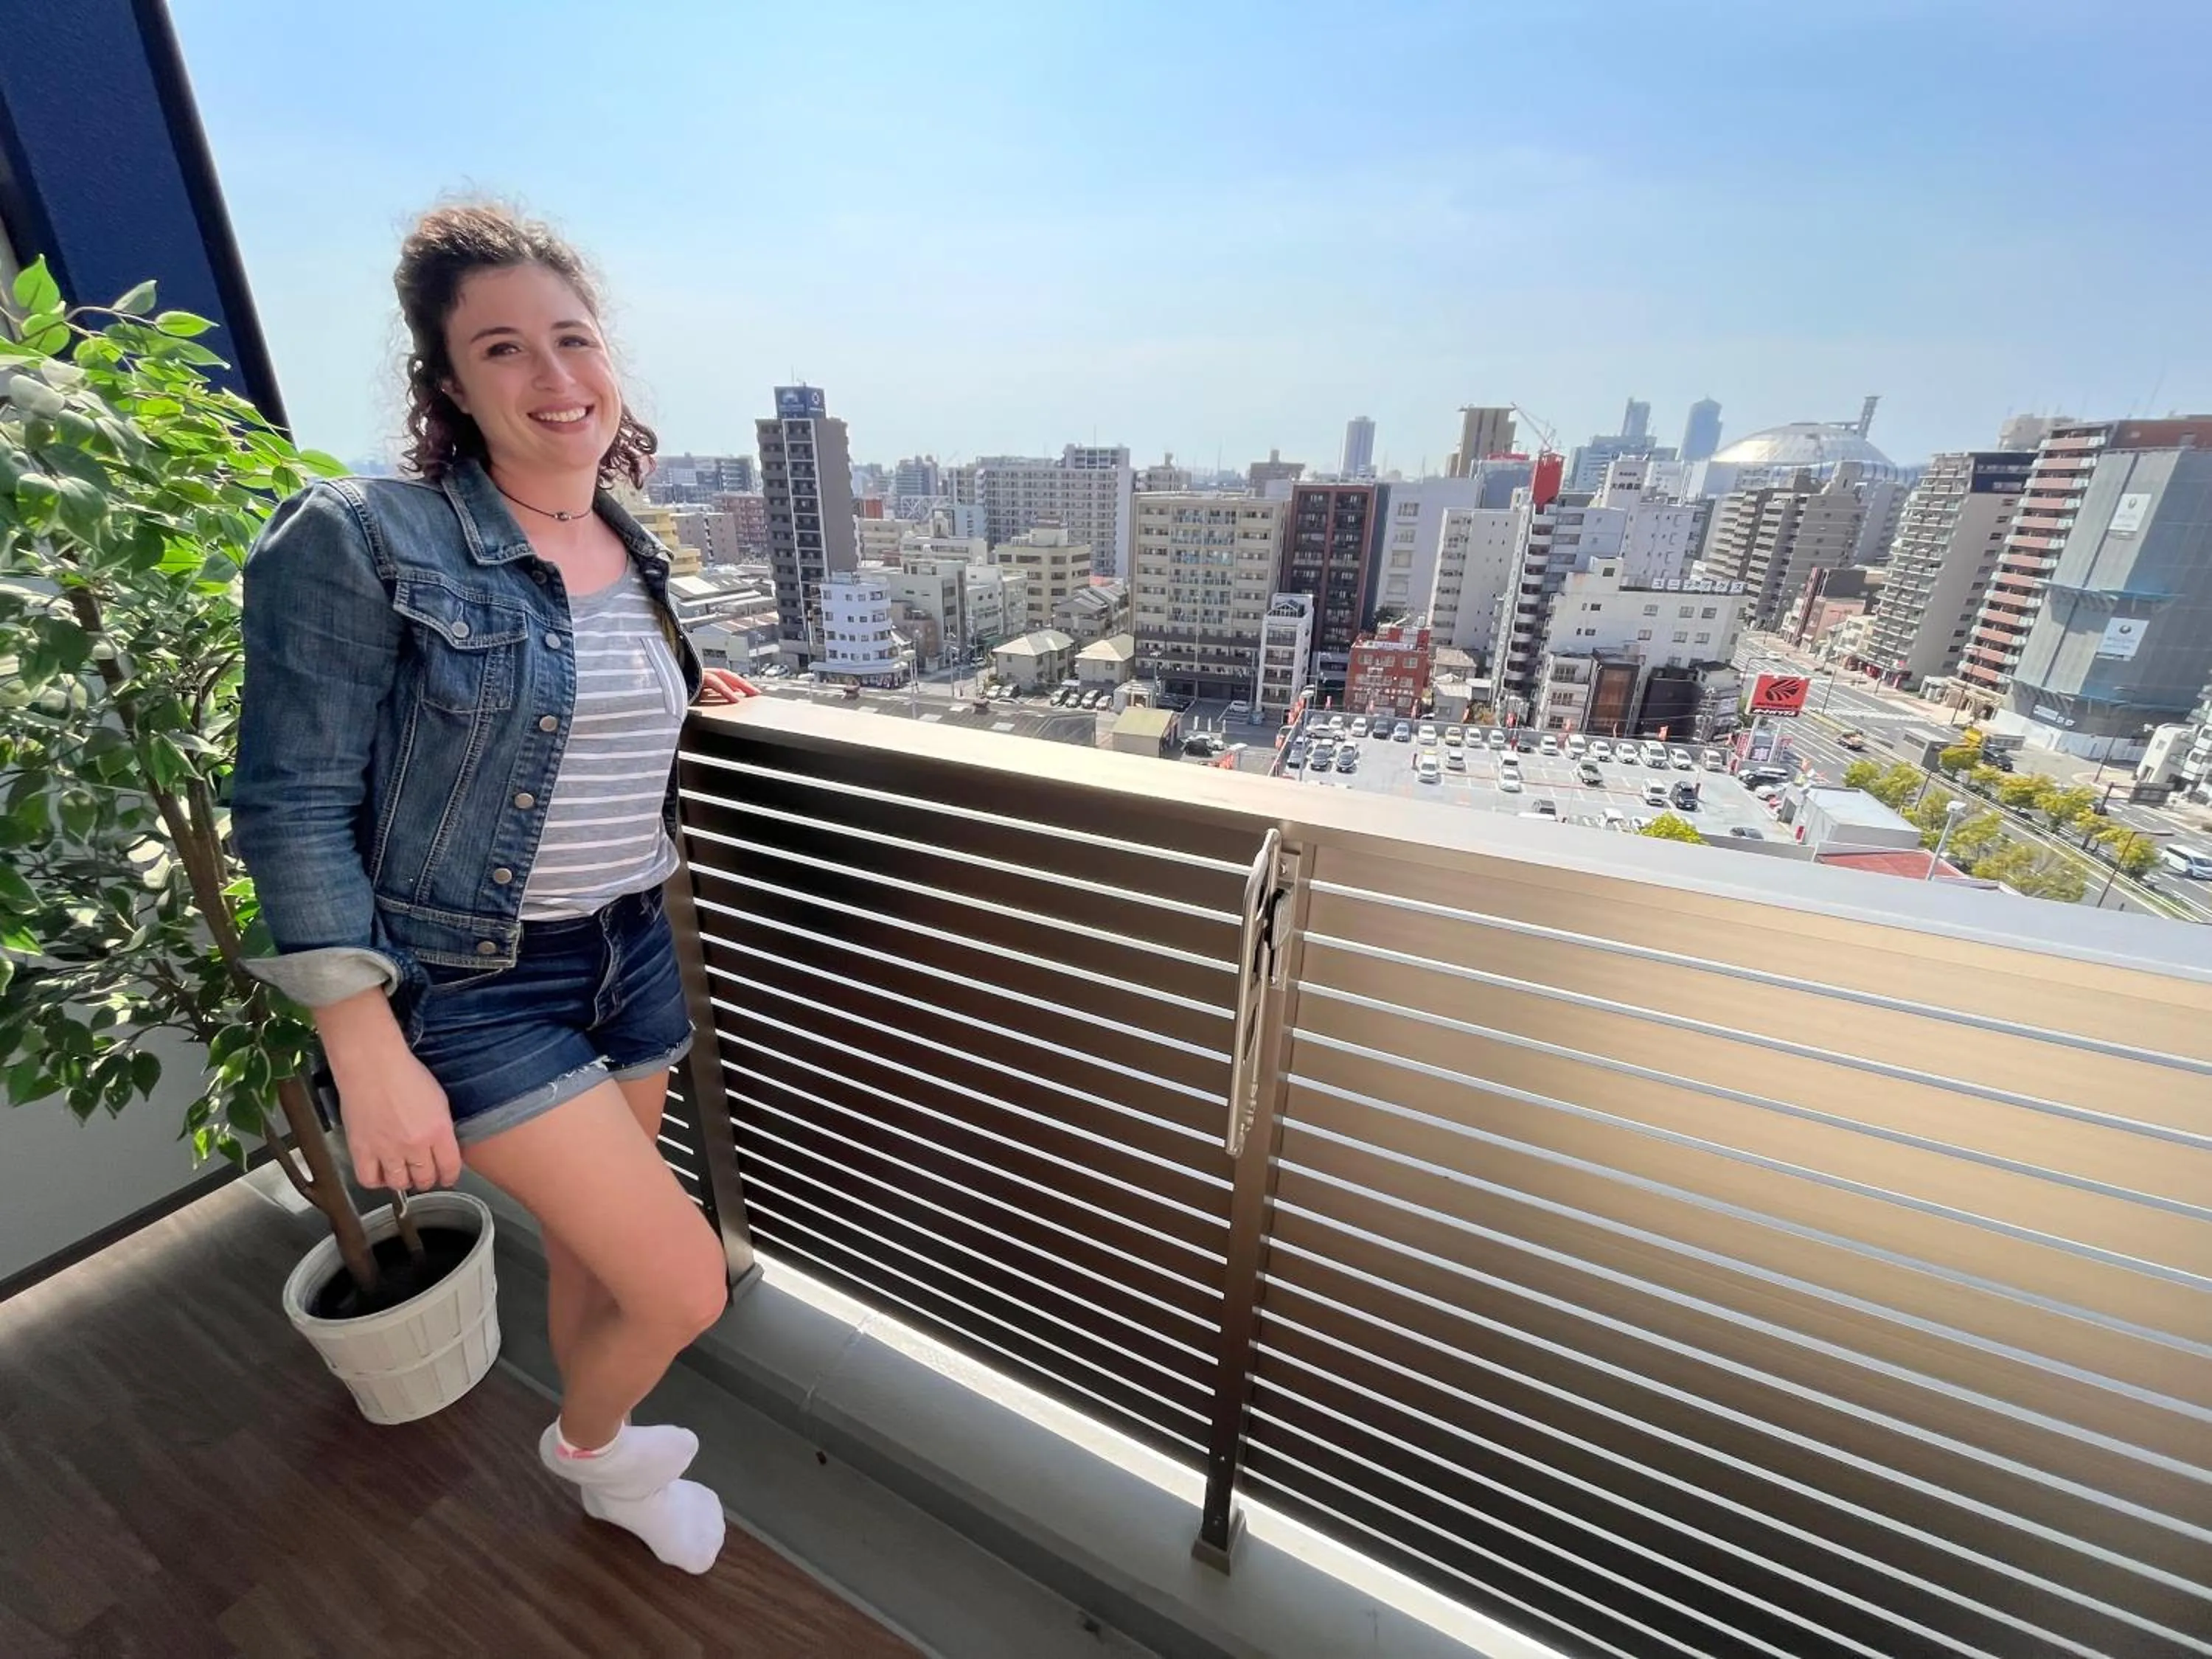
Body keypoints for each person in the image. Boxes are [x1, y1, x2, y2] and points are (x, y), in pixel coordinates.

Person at [232, 204, 757, 1576]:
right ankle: (590, 1447)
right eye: (505, 349)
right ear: (449, 386)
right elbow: (287, 797)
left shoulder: (625, 539)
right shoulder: (361, 532)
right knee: (683, 1278)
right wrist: (362, 1040)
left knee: (601, 1260)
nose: (555, 376)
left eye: (574, 339)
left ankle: (612, 1466)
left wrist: (689, 683)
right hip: (469, 987)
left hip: (628, 949)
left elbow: (557, 693)